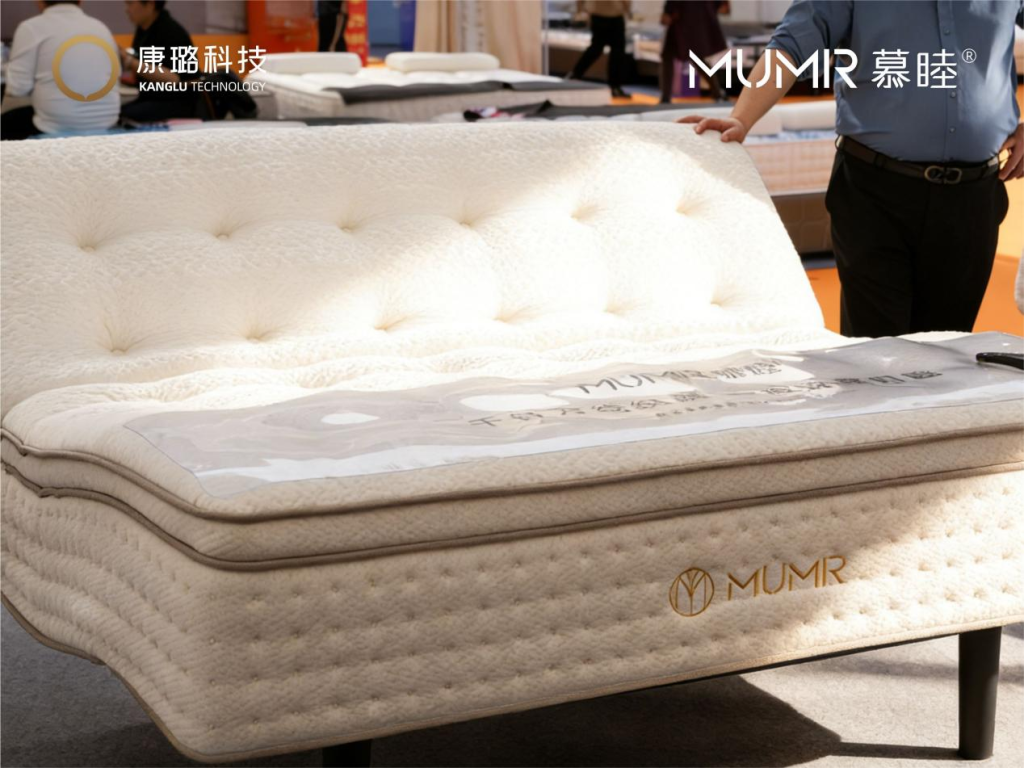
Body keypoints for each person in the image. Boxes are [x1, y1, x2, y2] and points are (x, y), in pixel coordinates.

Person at [680, 0, 1024, 338]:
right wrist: (742, 118)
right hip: (876, 195)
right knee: (876, 351)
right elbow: (791, 45)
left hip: (973, 199)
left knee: (950, 347)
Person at [1, 0, 119, 140]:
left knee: (8, 120)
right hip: (106, 123)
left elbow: (17, 88)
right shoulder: (101, 27)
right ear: (80, 1)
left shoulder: (31, 28)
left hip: (55, 126)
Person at [120, 0, 198, 123]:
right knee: (115, 110)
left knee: (122, 115)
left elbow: (173, 79)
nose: (127, 9)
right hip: (151, 97)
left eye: (130, 3)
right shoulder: (143, 29)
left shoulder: (171, 31)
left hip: (177, 102)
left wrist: (130, 62)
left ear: (150, 4)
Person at [660, 1, 727, 103]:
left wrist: (668, 11)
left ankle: (665, 97)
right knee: (695, 57)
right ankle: (717, 93)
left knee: (672, 55)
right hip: (696, 16)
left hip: (684, 17)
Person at [567, 1, 631, 99]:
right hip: (610, 15)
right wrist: (627, 10)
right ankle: (614, 86)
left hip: (603, 15)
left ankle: (575, 75)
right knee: (611, 51)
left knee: (600, 49)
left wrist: (580, 10)